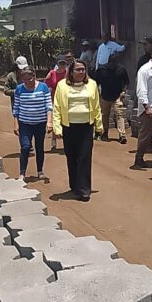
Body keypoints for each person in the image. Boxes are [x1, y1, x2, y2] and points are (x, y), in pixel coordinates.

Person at [52, 59, 103, 201]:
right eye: (78, 70)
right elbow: (57, 107)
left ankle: (84, 189)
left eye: (83, 70)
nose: (81, 72)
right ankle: (74, 185)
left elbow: (96, 106)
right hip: (68, 126)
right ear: (71, 72)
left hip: (86, 126)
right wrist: (57, 127)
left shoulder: (91, 84)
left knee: (84, 157)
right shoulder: (62, 86)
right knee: (71, 156)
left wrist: (99, 126)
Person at [13, 67, 52, 181]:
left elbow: (48, 106)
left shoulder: (43, 87)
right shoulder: (19, 89)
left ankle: (40, 171)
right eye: (25, 80)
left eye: (29, 79)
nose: (28, 82)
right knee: (25, 147)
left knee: (39, 147)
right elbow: (16, 108)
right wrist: (16, 124)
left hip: (40, 123)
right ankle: (22, 173)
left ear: (34, 76)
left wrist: (49, 122)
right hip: (25, 123)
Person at [95, 52, 129, 143]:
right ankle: (104, 132)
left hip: (117, 96)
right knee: (104, 115)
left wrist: (123, 92)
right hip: (105, 96)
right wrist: (97, 92)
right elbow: (96, 82)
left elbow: (126, 82)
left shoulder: (121, 70)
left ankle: (122, 135)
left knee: (120, 114)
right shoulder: (101, 69)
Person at [45, 55, 69, 151]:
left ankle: (66, 142)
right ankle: (53, 142)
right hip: (54, 99)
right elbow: (45, 85)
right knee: (56, 120)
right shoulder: (52, 73)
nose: (62, 65)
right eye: (60, 63)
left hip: (66, 100)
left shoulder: (68, 73)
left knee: (66, 120)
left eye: (64, 63)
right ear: (57, 64)